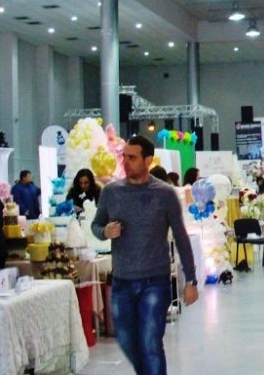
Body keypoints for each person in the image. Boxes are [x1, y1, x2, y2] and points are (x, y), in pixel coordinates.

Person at [92, 136, 198, 375]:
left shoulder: (165, 194)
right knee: (126, 340)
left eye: (132, 157)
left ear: (148, 160)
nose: (126, 162)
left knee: (150, 343)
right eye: (124, 157)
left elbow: (180, 236)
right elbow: (96, 225)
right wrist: (105, 231)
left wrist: (191, 279)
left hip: (155, 281)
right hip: (121, 281)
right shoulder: (111, 192)